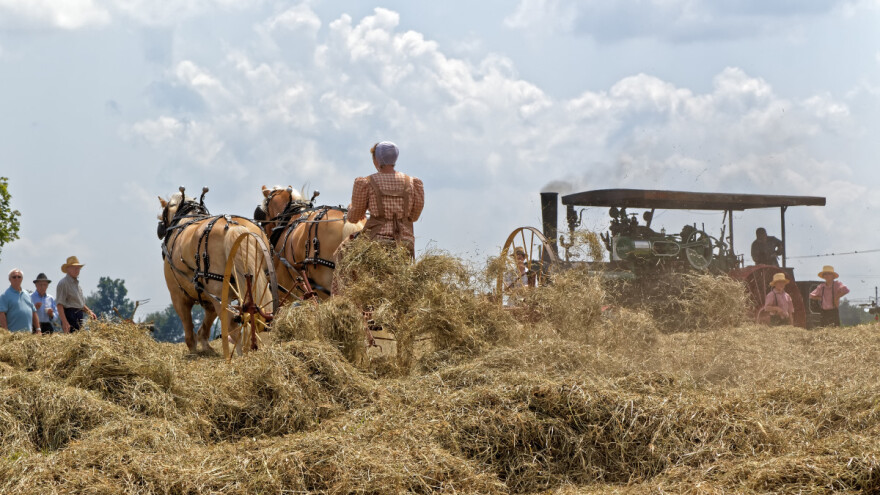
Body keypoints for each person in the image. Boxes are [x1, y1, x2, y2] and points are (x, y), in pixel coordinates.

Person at [347, 141, 425, 257]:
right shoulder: (412, 183)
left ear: (376, 160)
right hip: (404, 244)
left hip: (376, 243)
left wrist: (352, 209)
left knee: (342, 250)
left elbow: (353, 218)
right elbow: (414, 217)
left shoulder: (366, 183)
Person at [56, 256, 96, 333]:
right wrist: (65, 322)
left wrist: (89, 312)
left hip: (79, 316)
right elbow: (59, 305)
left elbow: (80, 304)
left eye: (78, 268)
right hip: (70, 315)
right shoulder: (63, 283)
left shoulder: (77, 286)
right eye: (74, 268)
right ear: (68, 269)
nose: (77, 270)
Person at [0, 269, 40, 333]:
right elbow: (1, 314)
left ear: (22, 279)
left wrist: (38, 329)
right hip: (13, 335)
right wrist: (5, 332)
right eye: (14, 277)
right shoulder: (5, 295)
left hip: (28, 334)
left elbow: (33, 312)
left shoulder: (27, 294)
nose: (17, 278)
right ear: (9, 279)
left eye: (19, 277)